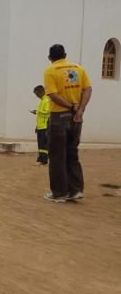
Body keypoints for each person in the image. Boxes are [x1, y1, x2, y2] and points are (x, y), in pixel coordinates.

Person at [43, 44, 92, 203]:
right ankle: (75, 190)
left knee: (57, 155)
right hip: (76, 118)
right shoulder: (79, 68)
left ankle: (59, 192)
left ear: (50, 58)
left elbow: (52, 94)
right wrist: (80, 110)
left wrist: (70, 106)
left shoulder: (50, 71)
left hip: (59, 117)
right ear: (65, 55)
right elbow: (88, 89)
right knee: (72, 153)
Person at [30, 85, 50, 166]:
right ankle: (41, 159)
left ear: (40, 92)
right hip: (41, 126)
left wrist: (37, 112)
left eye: (36, 94)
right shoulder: (42, 100)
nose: (36, 96)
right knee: (41, 144)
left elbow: (47, 112)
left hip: (45, 126)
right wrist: (37, 126)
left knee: (44, 144)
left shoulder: (47, 100)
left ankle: (43, 160)